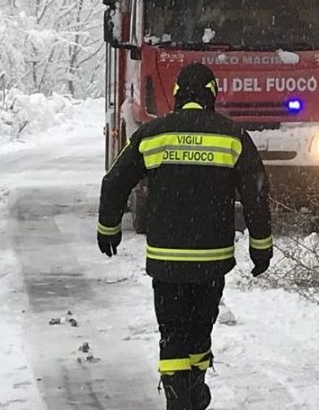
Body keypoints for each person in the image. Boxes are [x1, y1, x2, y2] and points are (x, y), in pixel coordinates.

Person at [96, 63, 273, 410]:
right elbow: (256, 194)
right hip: (211, 261)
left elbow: (114, 181)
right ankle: (194, 389)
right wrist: (260, 246)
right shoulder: (233, 136)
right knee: (199, 329)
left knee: (173, 330)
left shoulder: (153, 134)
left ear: (176, 97)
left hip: (166, 261)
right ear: (212, 94)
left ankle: (180, 396)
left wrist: (108, 226)